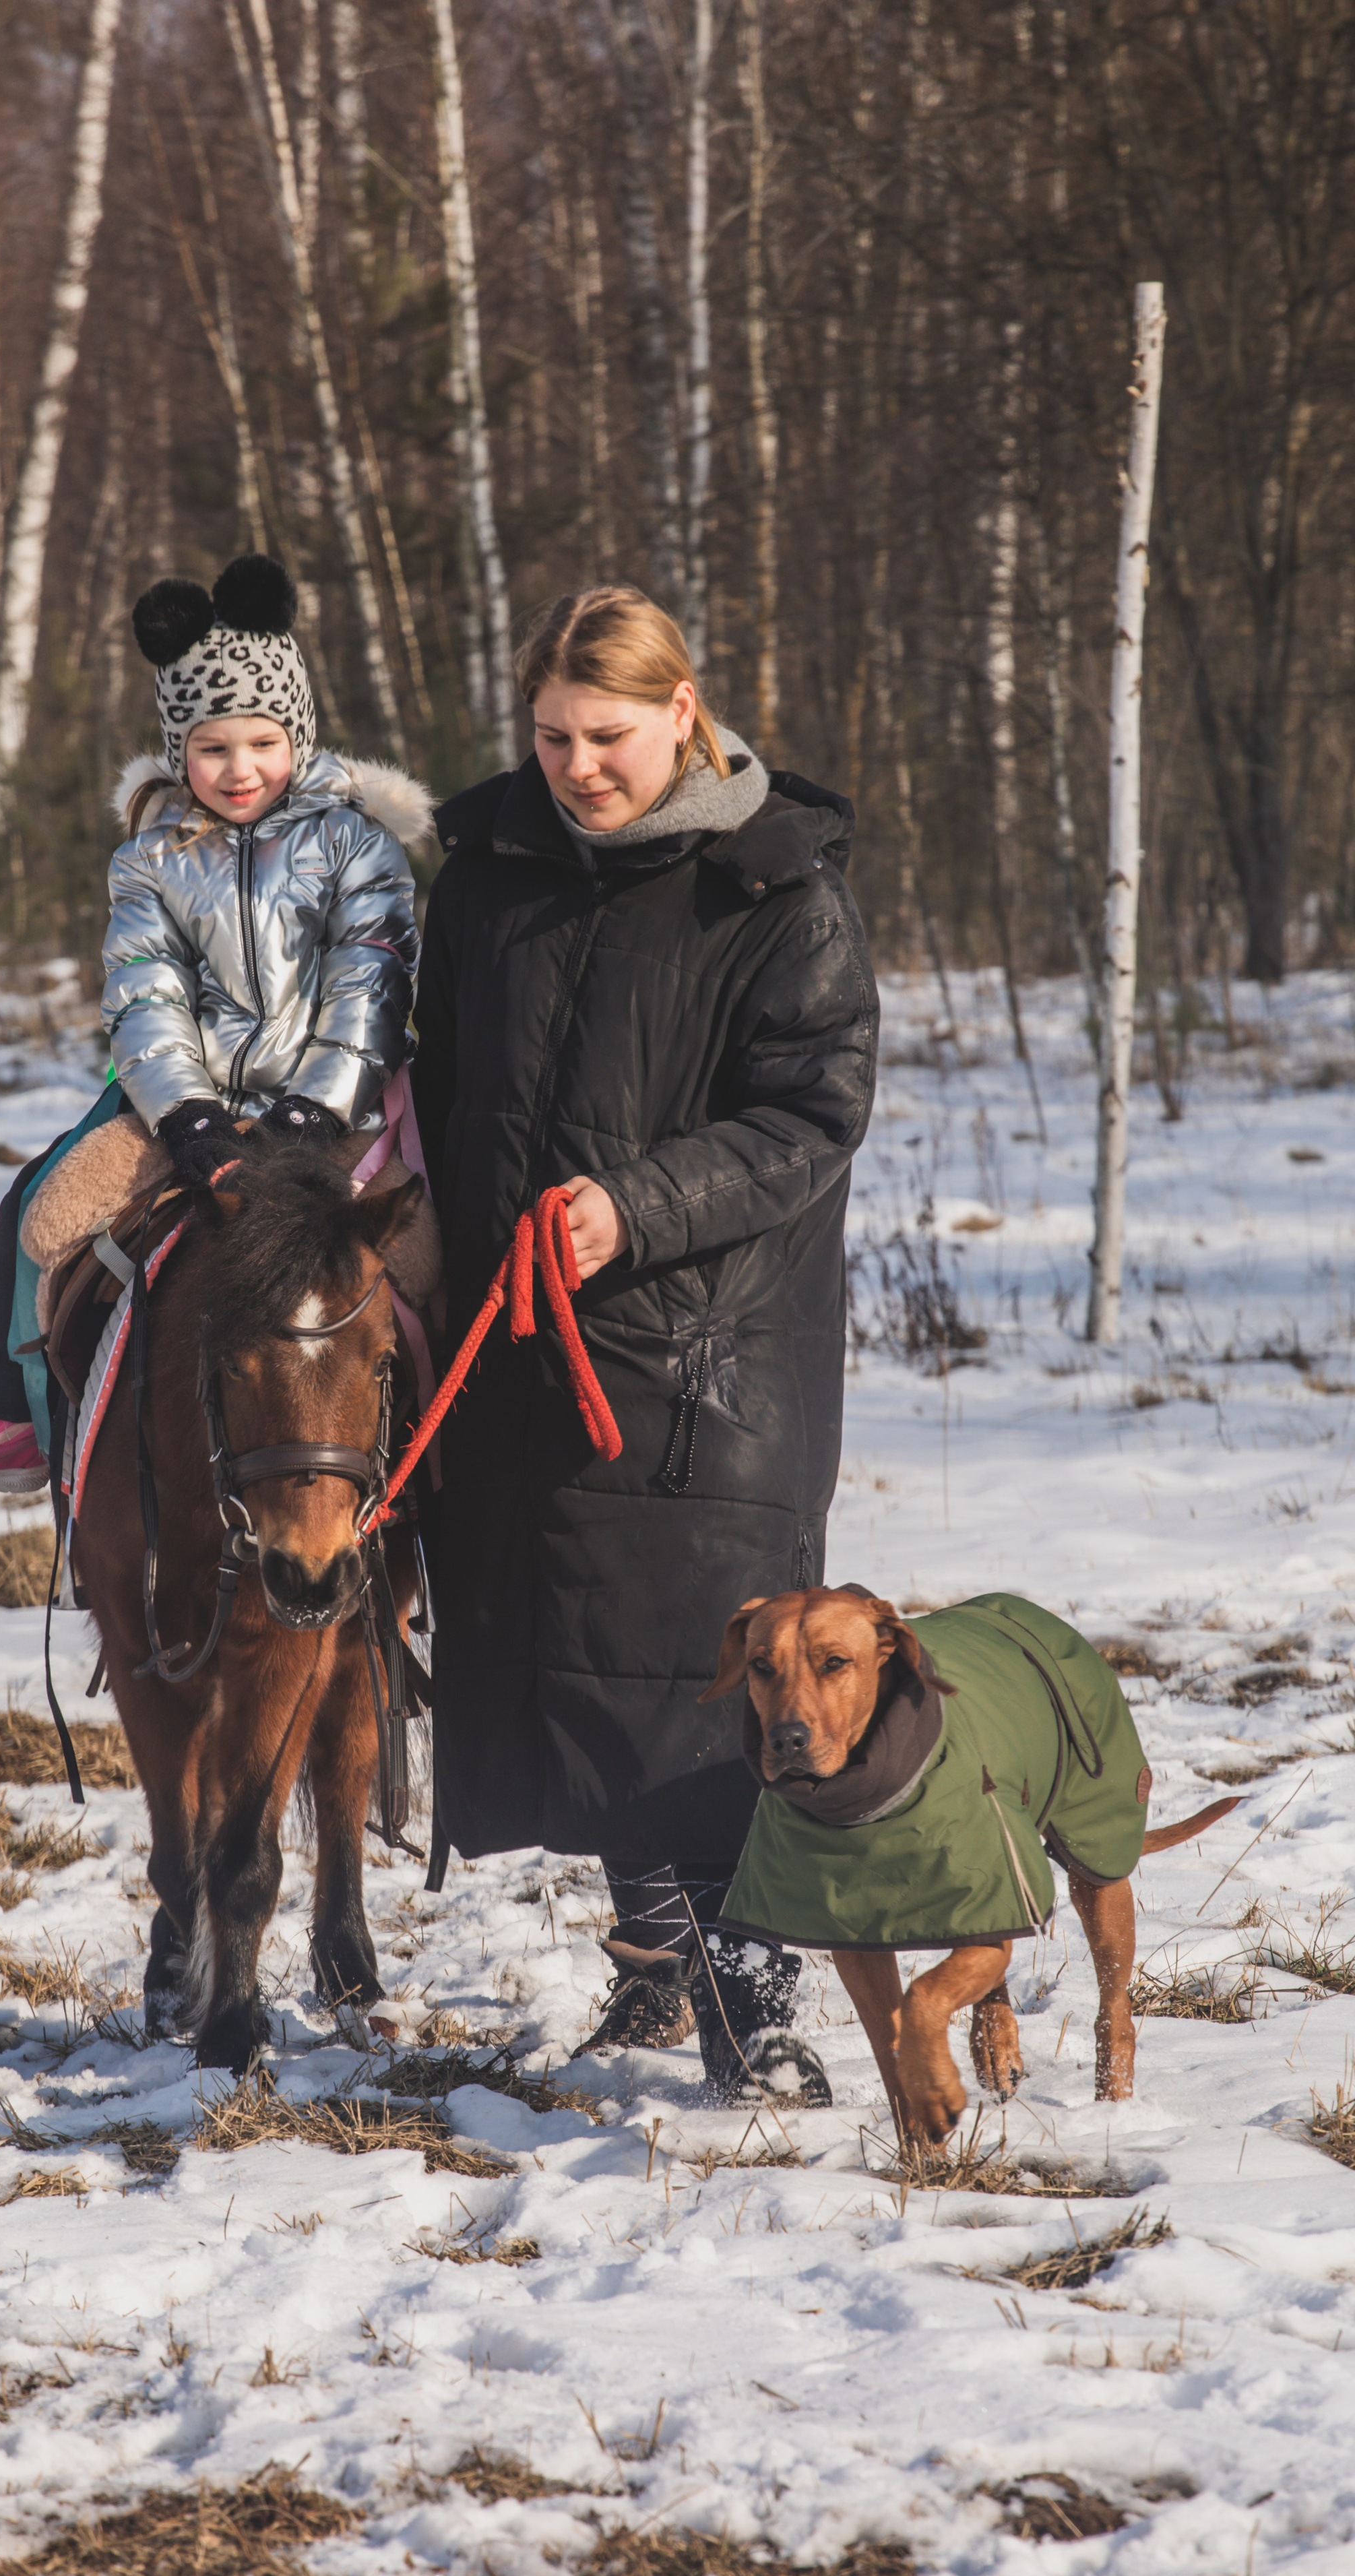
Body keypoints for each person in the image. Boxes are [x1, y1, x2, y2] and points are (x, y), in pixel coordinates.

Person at [410, 584, 878, 2102]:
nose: (573, 766)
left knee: (708, 1684)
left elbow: (810, 1113)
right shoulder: (483, 872)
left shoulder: (775, 890)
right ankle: (654, 1967)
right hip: (514, 1344)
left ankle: (759, 2008)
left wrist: (634, 1205)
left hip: (704, 1362)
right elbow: (433, 1078)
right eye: (546, 734)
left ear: (683, 713)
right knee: (570, 1669)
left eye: (604, 736)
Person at [0, 553, 423, 1500]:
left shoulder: (356, 846)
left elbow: (369, 987)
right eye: (213, 749)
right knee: (39, 1201)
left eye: (261, 742)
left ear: (296, 732)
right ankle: (2, 1415)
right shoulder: (151, 862)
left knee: (426, 1249)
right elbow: (143, 999)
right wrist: (192, 1122)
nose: (240, 769)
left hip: (345, 1110)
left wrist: (313, 1112)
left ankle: (455, 1464)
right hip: (188, 1108)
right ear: (180, 753)